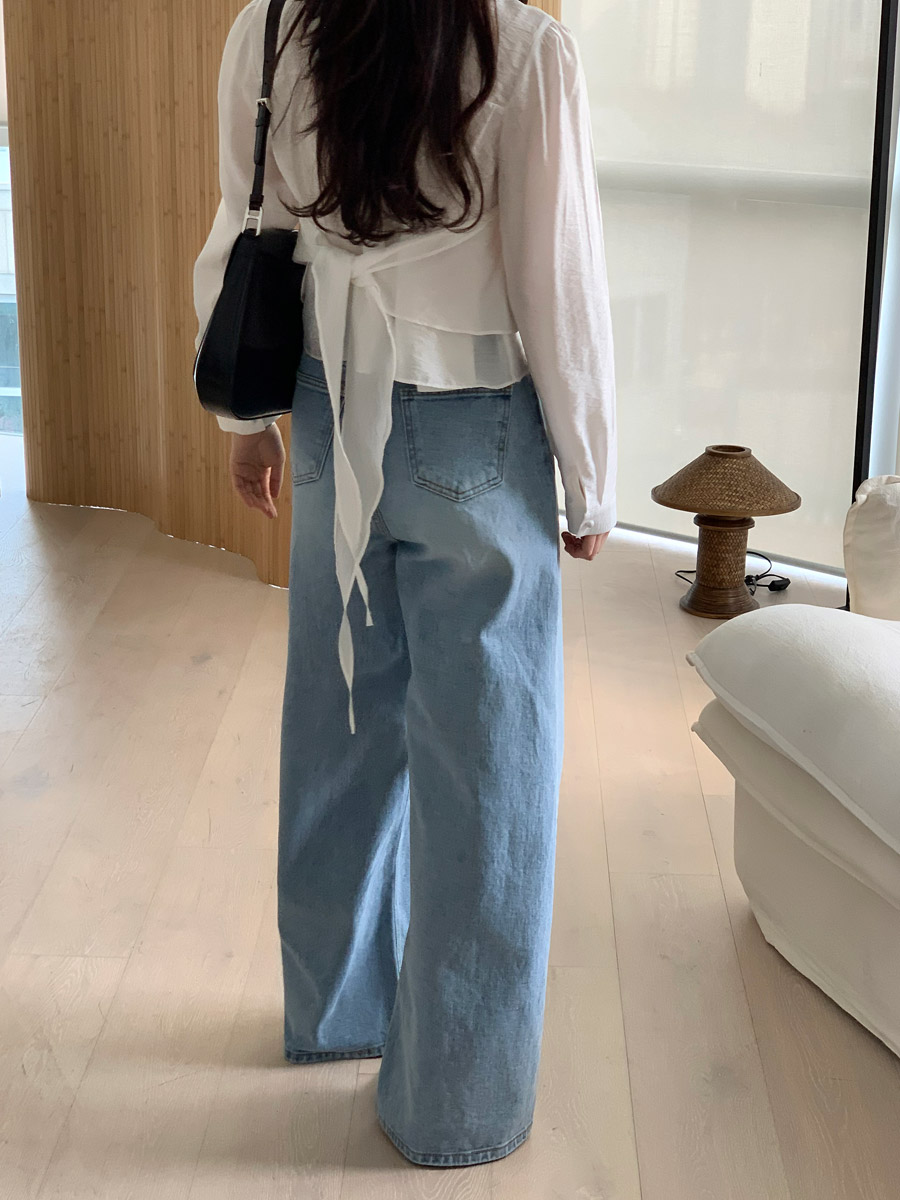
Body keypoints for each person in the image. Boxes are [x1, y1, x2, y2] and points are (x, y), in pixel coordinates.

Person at [193, 0, 616, 1169]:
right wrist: (589, 476)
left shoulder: (272, 26)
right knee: (486, 769)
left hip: (328, 407)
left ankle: (335, 1016)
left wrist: (244, 421)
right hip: (475, 427)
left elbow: (243, 225)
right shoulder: (521, 48)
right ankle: (452, 1105)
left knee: (338, 724)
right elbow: (558, 281)